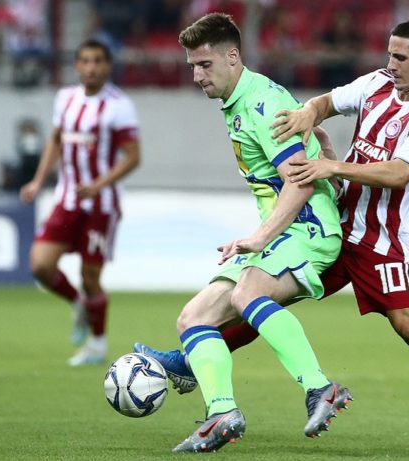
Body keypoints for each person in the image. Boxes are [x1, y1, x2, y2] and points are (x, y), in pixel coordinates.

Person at [144, 16, 409, 456]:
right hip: (334, 218)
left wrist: (332, 165)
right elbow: (326, 103)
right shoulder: (376, 84)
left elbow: (399, 173)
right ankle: (196, 360)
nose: (390, 64)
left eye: (400, 57)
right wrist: (306, 115)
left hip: (380, 238)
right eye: (388, 54)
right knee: (261, 299)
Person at [134, 13, 352, 454]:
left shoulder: (263, 103)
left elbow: (300, 180)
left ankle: (320, 388)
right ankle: (222, 413)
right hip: (284, 231)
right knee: (193, 318)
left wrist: (260, 237)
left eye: (205, 65)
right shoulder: (241, 102)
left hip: (308, 227)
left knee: (247, 294)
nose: (197, 76)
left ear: (233, 57)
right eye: (192, 66)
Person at [19, 38, 141, 367]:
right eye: (85, 61)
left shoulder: (119, 105)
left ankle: (97, 345)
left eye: (98, 61)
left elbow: (133, 157)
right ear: (77, 65)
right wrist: (38, 181)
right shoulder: (65, 99)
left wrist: (98, 184)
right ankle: (79, 305)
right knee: (40, 265)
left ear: (108, 66)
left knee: (90, 276)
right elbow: (55, 141)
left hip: (101, 205)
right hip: (67, 200)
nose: (91, 67)